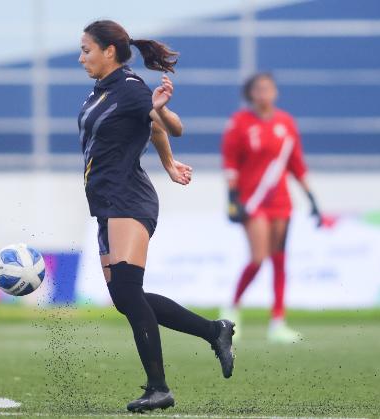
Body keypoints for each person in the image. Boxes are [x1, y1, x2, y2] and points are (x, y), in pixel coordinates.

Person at [78, 19, 235, 413]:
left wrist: (161, 111)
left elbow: (170, 126)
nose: (81, 57)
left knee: (130, 291)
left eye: (86, 50)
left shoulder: (130, 88)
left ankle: (158, 388)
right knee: (124, 298)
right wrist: (167, 162)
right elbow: (150, 130)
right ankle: (214, 330)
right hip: (105, 204)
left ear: (108, 51)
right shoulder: (100, 92)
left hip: (128, 199)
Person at [220, 73, 323, 344]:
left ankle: (278, 322)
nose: (263, 93)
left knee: (279, 260)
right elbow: (230, 162)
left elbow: (296, 163)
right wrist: (232, 199)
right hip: (252, 201)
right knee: (258, 257)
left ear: (275, 92)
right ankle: (231, 311)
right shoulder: (239, 123)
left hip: (281, 202)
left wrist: (312, 198)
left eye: (268, 88)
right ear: (250, 94)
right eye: (258, 89)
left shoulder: (286, 123)